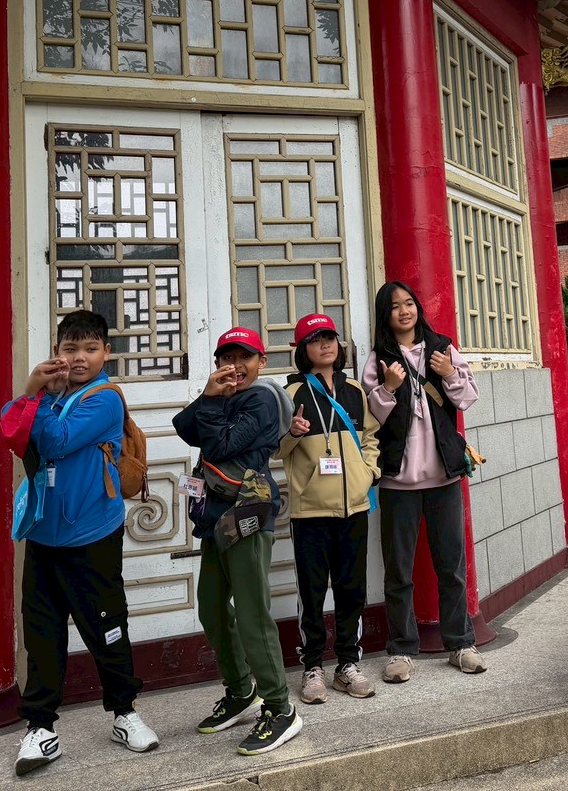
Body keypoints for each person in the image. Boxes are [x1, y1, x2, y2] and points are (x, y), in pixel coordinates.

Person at [1, 309, 158, 777]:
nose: (80, 357)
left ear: (106, 352)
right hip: (44, 533)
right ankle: (40, 727)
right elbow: (8, 426)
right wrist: (32, 391)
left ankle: (125, 713)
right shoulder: (51, 394)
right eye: (70, 348)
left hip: (92, 533)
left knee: (106, 626)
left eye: (90, 348)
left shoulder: (104, 399)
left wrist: (38, 399)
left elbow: (55, 442)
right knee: (42, 632)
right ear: (58, 352)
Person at [174, 327, 302, 756]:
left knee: (251, 613)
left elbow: (220, 445)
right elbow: (183, 427)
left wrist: (213, 404)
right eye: (226, 359)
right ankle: (241, 690)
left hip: (246, 514)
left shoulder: (262, 399)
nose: (234, 366)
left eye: (244, 357)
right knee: (211, 607)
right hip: (215, 517)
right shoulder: (223, 397)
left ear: (261, 362)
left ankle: (280, 708)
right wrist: (209, 396)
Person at [361, 281, 485, 682]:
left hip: (444, 476)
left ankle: (460, 643)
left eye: (409, 303)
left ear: (418, 308)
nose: (404, 311)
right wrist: (389, 388)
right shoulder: (378, 359)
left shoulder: (442, 348)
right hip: (398, 481)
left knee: (451, 565)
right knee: (399, 571)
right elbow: (371, 416)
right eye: (394, 306)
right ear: (385, 315)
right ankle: (401, 649)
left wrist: (448, 374)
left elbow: (467, 397)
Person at [281, 313, 380, 703]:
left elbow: (371, 437)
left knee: (351, 589)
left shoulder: (354, 390)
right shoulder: (290, 394)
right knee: (312, 591)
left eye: (330, 337)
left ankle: (347, 664)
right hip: (310, 511)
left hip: (354, 506)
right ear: (302, 350)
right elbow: (275, 447)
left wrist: (369, 472)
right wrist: (292, 433)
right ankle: (312, 667)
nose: (325, 344)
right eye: (315, 339)